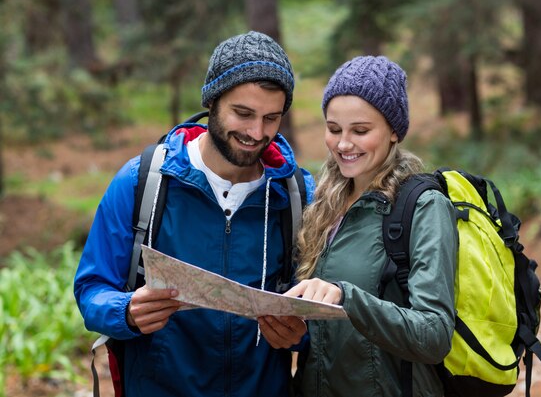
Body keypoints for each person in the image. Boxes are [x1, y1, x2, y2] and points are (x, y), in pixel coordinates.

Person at [74, 31, 314, 397]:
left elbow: (320, 305)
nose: (256, 132)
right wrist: (125, 312)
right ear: (212, 102)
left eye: (271, 118)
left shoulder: (297, 194)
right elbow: (92, 289)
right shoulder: (144, 181)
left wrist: (300, 334)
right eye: (243, 113)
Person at [263, 55, 459, 396]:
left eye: (361, 131)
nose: (343, 144)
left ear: (394, 131)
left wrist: (346, 298)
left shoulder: (423, 207)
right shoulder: (323, 203)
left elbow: (434, 334)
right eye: (334, 129)